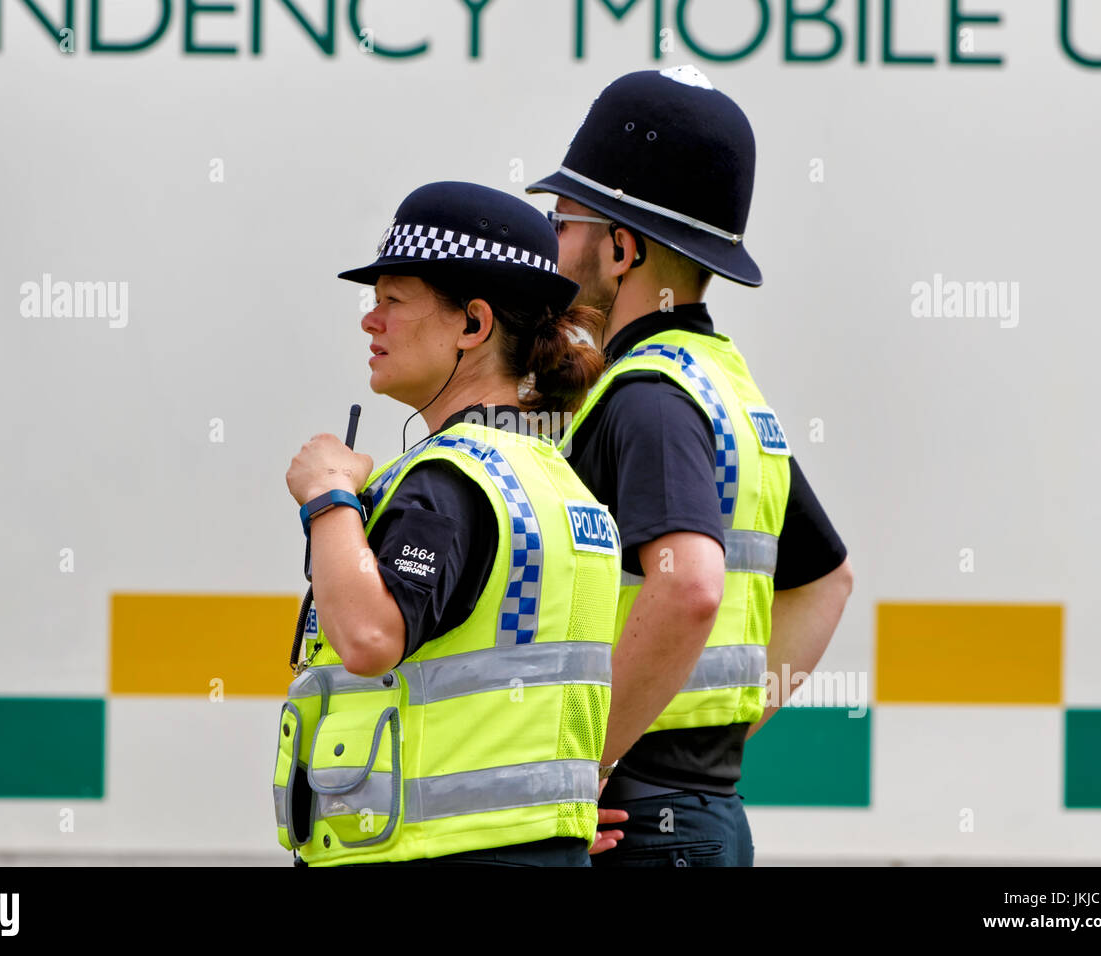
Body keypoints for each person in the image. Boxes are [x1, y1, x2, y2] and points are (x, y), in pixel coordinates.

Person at [526, 66, 855, 867]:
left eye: (563, 221)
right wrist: (707, 752)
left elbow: (690, 585)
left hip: (634, 828)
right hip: (693, 812)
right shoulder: (720, 383)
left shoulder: (646, 397)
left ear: (622, 248)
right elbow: (824, 582)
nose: (551, 245)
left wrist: (584, 764)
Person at [271, 181, 623, 867]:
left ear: (472, 325)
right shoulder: (560, 484)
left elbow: (370, 638)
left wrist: (327, 497)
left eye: (393, 301)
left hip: (432, 854)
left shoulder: (448, 480)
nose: (370, 322)